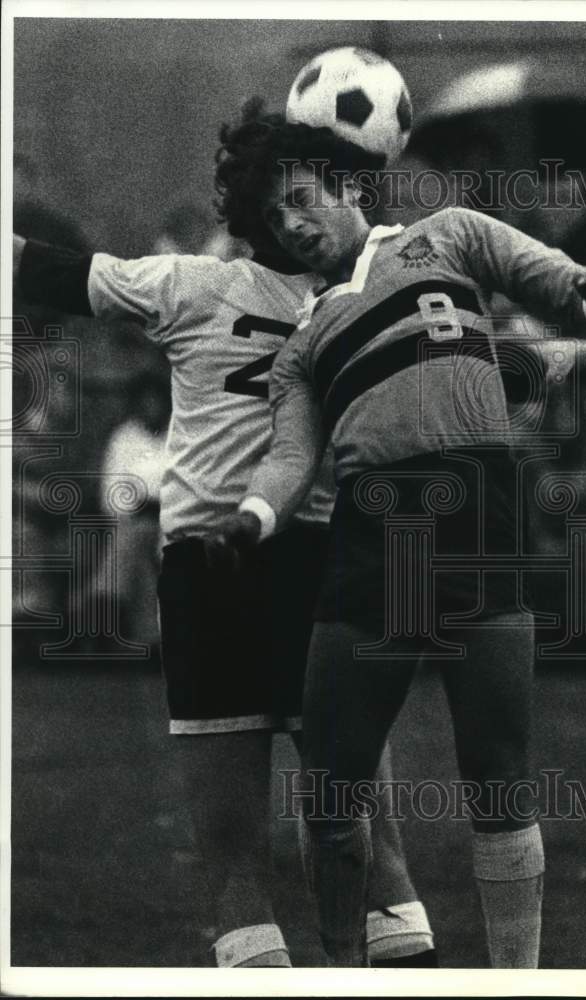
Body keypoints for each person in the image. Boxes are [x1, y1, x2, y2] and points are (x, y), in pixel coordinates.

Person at [204, 119, 586, 967]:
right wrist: (252, 518)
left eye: (299, 199)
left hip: (480, 518)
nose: (291, 223)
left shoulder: (451, 233)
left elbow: (563, 285)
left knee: (499, 778)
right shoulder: (303, 344)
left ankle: (516, 981)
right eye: (273, 216)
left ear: (346, 186)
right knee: (331, 788)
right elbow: (292, 455)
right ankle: (343, 972)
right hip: (374, 539)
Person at [11, 103, 436, 968]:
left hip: (214, 572)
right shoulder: (367, 300)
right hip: (327, 568)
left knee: (234, 861)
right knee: (368, 843)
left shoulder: (187, 286)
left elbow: (42, 269)